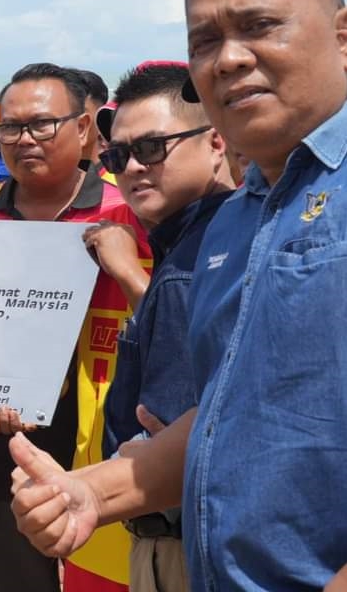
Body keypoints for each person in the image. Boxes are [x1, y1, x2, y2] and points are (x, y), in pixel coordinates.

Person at [9, 0, 347, 591]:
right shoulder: (232, 225)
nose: (228, 59)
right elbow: (229, 411)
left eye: (260, 25)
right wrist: (94, 495)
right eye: (206, 40)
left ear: (343, 37)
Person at [0, 63, 148, 592]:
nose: (23, 139)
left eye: (41, 125)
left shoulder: (132, 215)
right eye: (10, 127)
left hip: (108, 446)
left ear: (85, 130)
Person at [85, 60, 236, 592]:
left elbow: (172, 428)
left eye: (151, 148)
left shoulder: (195, 261)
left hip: (178, 539)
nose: (130, 168)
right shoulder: (223, 235)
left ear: (216, 141)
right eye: (116, 155)